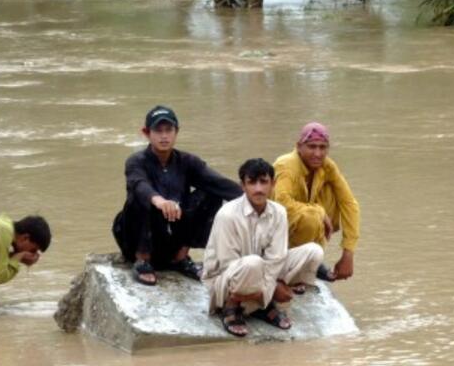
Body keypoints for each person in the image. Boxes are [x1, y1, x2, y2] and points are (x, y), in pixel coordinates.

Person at [113, 105, 242, 286]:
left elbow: (218, 183)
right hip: (138, 238)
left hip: (172, 233)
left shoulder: (188, 162)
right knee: (139, 198)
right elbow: (139, 184)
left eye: (168, 130)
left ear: (176, 132)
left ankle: (180, 258)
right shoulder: (136, 161)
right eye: (158, 130)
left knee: (211, 193)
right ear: (146, 133)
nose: (164, 136)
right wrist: (158, 200)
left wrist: (254, 200)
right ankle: (142, 260)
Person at [202, 158, 324, 337]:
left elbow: (276, 259)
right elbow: (227, 264)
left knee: (314, 251)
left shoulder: (279, 212)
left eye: (264, 182)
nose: (258, 189)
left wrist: (268, 286)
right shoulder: (227, 215)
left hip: (263, 273)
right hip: (225, 279)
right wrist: (272, 290)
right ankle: (233, 307)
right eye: (252, 182)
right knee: (253, 263)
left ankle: (258, 305)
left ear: (273, 184)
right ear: (242, 185)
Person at [273, 122, 360, 282]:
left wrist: (348, 253)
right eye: (312, 147)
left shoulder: (327, 166)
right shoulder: (286, 165)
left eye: (322, 147)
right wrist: (319, 211)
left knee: (333, 194)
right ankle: (293, 270)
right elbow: (282, 205)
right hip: (275, 232)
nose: (318, 153)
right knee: (312, 217)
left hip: (300, 227)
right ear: (299, 146)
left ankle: (312, 258)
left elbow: (349, 203)